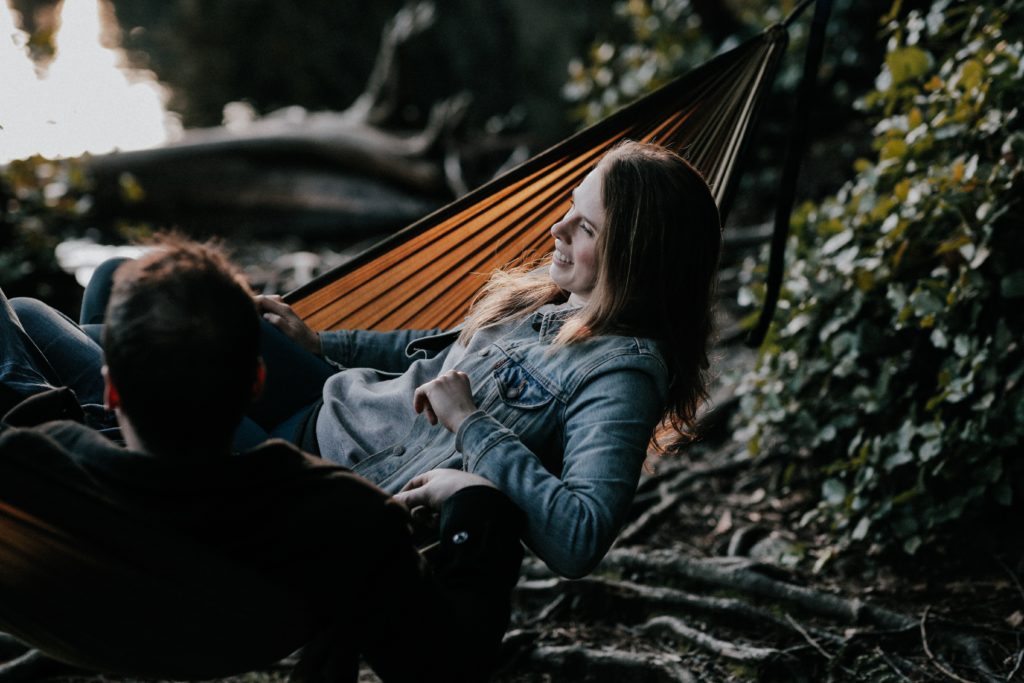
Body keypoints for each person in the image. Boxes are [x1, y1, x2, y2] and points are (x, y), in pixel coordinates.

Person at [0, 237, 523, 682]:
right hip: (233, 598)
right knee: (26, 312)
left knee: (21, 313)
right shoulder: (345, 515)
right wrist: (476, 505)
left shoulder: (29, 472)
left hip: (101, 540)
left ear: (112, 390)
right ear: (256, 381)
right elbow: (447, 668)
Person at [247, 140, 722, 579]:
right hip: (329, 401)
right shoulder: (558, 292)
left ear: (634, 260)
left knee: (183, 422)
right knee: (223, 319)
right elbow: (440, 349)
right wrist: (324, 344)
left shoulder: (621, 375)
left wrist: (470, 422)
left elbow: (580, 537)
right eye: (573, 204)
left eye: (587, 228)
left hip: (329, 477)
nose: (558, 227)